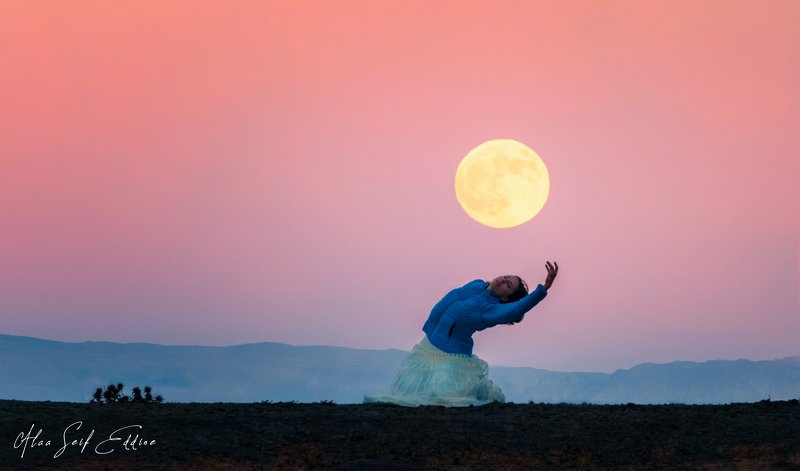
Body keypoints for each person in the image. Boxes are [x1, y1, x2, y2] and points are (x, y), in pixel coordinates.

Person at [364, 261, 559, 407]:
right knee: (410, 390)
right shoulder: (477, 285)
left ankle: (477, 391)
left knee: (444, 396)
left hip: (451, 355)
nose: (503, 280)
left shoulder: (492, 310)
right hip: (428, 346)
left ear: (507, 297)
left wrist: (542, 290)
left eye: (508, 285)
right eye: (506, 277)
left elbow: (515, 309)